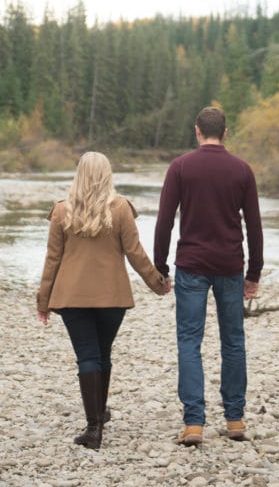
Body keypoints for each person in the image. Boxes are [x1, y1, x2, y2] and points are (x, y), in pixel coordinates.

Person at [37, 151, 169, 450]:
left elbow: (52, 260)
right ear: (107, 175)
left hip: (72, 298)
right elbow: (135, 252)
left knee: (88, 356)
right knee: (102, 354)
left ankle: (94, 426)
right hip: (112, 297)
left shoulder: (62, 211)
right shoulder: (120, 209)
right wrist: (157, 283)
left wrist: (43, 301)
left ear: (79, 174)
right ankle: (98, 414)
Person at [153, 105, 263, 447]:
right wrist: (254, 271)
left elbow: (165, 220)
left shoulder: (181, 167)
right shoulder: (242, 170)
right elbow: (255, 225)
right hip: (230, 265)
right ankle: (235, 419)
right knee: (233, 341)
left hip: (193, 265)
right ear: (225, 133)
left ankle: (194, 423)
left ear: (197, 131)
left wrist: (160, 267)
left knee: (189, 341)